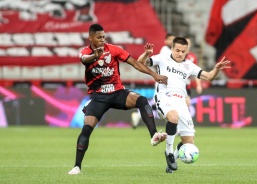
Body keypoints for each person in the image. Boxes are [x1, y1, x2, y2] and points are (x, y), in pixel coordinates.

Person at [68, 24, 168, 175]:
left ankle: (154, 135)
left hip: (117, 92)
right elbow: (85, 59)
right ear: (90, 38)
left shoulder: (114, 49)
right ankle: (77, 166)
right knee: (86, 128)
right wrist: (95, 56)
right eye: (98, 37)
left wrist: (154, 75)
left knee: (141, 100)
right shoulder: (85, 52)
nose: (102, 39)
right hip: (98, 97)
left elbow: (135, 63)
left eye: (103, 37)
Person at [138, 38, 231, 173]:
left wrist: (216, 69)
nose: (180, 54)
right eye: (177, 50)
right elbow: (140, 63)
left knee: (189, 143)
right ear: (171, 48)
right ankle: (169, 152)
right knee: (173, 117)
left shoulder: (189, 65)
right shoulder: (162, 58)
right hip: (164, 97)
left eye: (183, 51)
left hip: (181, 101)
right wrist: (146, 54)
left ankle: (172, 162)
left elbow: (209, 77)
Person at [184, 35, 203, 107]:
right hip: (177, 82)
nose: (187, 45)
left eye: (188, 43)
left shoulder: (193, 57)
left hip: (186, 84)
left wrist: (198, 85)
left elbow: (196, 72)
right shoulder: (177, 55)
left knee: (187, 103)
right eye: (185, 43)